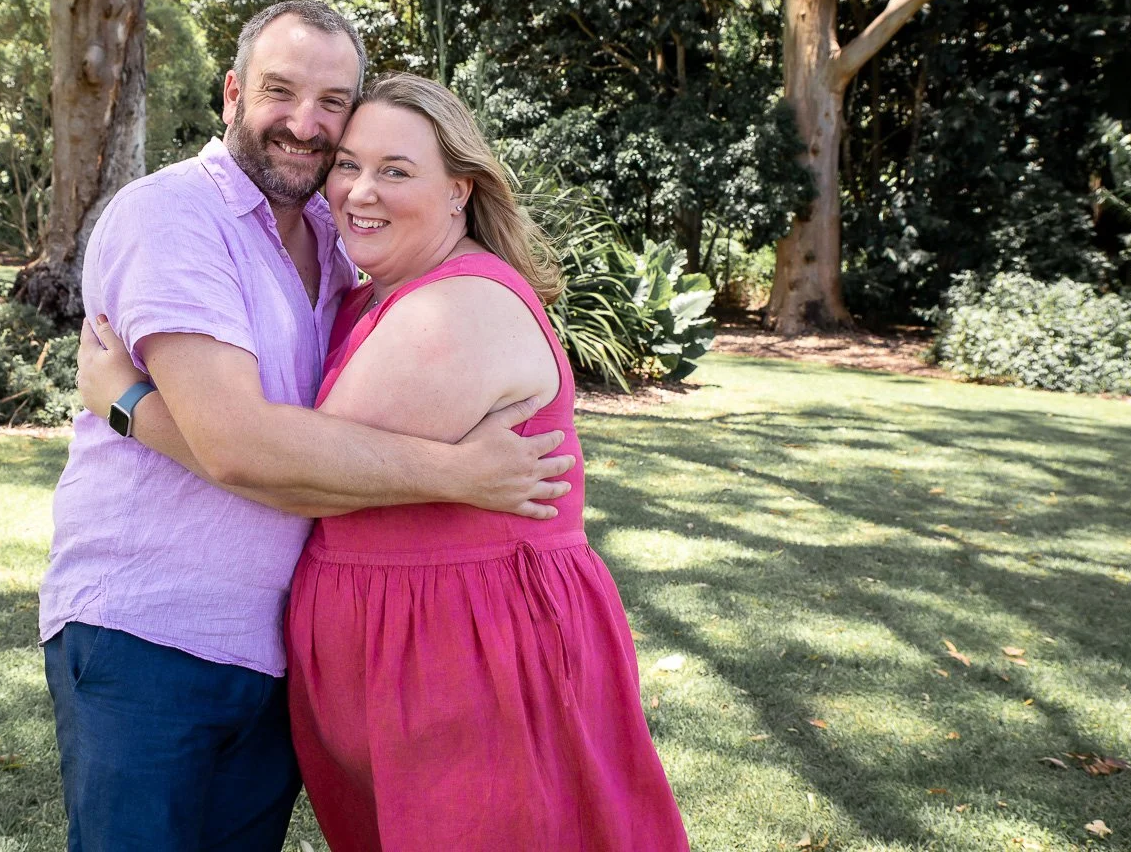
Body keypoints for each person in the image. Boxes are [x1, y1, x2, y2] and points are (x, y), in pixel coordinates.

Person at [83, 72, 690, 850]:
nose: (358, 192)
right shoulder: (378, 295)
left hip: (472, 655)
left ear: (458, 192)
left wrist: (126, 401)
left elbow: (292, 472)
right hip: (416, 653)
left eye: (395, 171)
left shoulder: (455, 307)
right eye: (348, 165)